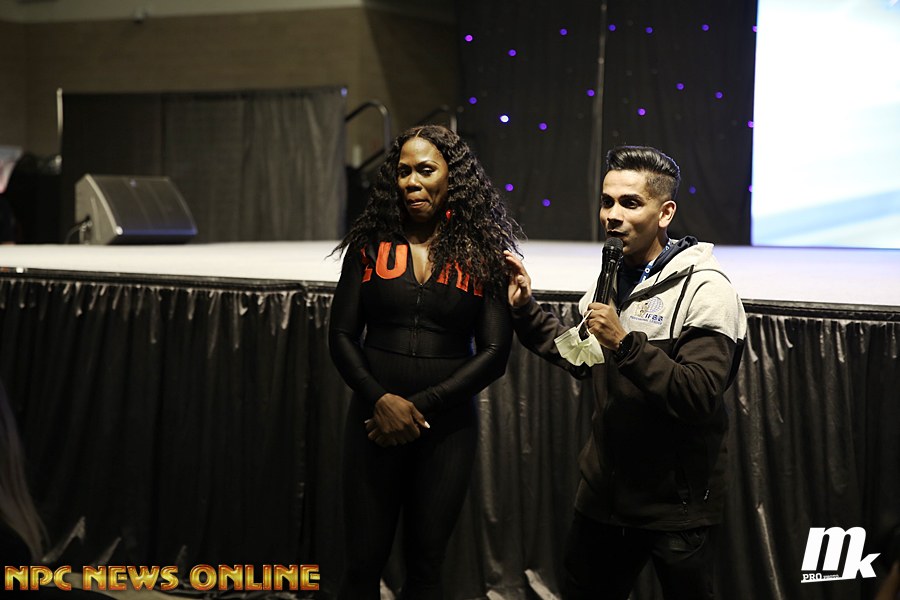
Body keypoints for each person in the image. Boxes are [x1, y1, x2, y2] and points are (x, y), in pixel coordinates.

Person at [505, 145, 746, 599]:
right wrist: (524, 309)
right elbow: (580, 357)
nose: (612, 216)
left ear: (665, 212)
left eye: (630, 203)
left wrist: (624, 343)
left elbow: (698, 394)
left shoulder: (706, 288)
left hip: (675, 507)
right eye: (607, 202)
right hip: (604, 498)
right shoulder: (610, 277)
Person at [328, 124, 522, 599]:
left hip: (446, 431)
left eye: (426, 170)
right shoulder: (369, 244)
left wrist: (417, 407)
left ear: (452, 176)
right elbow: (341, 335)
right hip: (373, 424)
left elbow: (495, 354)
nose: (412, 182)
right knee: (362, 565)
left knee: (427, 568)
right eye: (403, 171)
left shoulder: (483, 251)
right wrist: (381, 401)